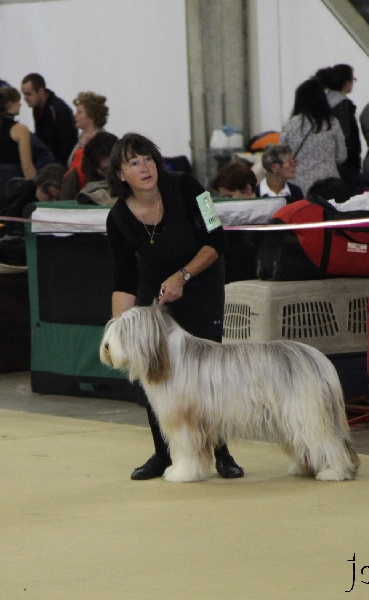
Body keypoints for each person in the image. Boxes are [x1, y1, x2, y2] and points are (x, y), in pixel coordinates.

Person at [105, 132, 244, 481]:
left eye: (148, 158)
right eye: (134, 163)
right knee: (155, 367)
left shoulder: (189, 187)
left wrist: (183, 275)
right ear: (121, 175)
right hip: (156, 290)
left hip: (202, 278)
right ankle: (163, 453)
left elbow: (218, 238)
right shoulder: (118, 218)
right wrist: (119, 331)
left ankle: (221, 451)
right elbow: (123, 279)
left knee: (208, 372)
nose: (145, 167)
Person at [280, 78, 346, 193]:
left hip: (299, 184)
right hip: (329, 183)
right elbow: (342, 156)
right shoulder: (332, 123)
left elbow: (281, 155)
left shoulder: (290, 124)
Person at [0, 85, 36, 205]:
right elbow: (27, 167)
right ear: (10, 104)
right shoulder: (20, 129)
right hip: (14, 185)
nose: (21, 104)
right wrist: (36, 188)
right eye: (18, 101)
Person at [315, 64, 361, 188]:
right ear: (347, 83)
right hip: (344, 166)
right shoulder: (343, 105)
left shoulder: (322, 102)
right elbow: (347, 137)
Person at [20, 73, 78, 165]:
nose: (25, 98)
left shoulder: (58, 109)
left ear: (41, 91)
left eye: (28, 94)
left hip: (59, 164)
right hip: (47, 161)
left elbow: (67, 142)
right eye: (24, 94)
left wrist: (57, 166)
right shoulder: (37, 108)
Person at [59, 91, 109, 199]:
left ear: (91, 116)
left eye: (79, 112)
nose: (75, 115)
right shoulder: (79, 138)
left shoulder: (103, 141)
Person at [73, 131, 118, 206]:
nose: (115, 172)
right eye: (107, 169)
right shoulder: (92, 194)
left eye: (117, 165)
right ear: (97, 169)